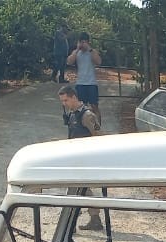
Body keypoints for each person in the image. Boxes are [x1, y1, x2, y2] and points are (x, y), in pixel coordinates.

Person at [58, 85, 104, 231]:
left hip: (85, 160)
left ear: (74, 97)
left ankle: (70, 224)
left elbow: (99, 137)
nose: (64, 104)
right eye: (62, 101)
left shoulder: (87, 115)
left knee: (78, 190)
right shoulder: (73, 114)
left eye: (66, 100)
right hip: (75, 158)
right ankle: (93, 218)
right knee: (80, 190)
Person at [66, 32, 101, 117]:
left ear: (88, 42)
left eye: (84, 42)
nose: (83, 44)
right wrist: (77, 49)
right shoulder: (77, 53)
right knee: (80, 107)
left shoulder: (92, 52)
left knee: (94, 106)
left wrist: (89, 48)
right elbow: (69, 62)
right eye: (81, 42)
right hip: (80, 83)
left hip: (91, 83)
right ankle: (81, 126)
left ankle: (97, 126)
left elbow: (98, 62)